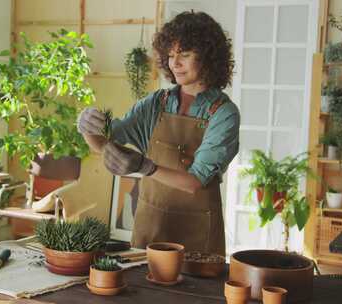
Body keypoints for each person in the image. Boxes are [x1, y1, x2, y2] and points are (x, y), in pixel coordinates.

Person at [77, 11, 239, 255]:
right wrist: (88, 127)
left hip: (196, 235)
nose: (175, 63)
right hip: (150, 227)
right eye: (171, 55)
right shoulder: (157, 103)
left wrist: (146, 167)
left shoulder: (223, 113)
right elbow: (105, 143)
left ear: (208, 57)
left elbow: (195, 182)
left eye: (184, 55)